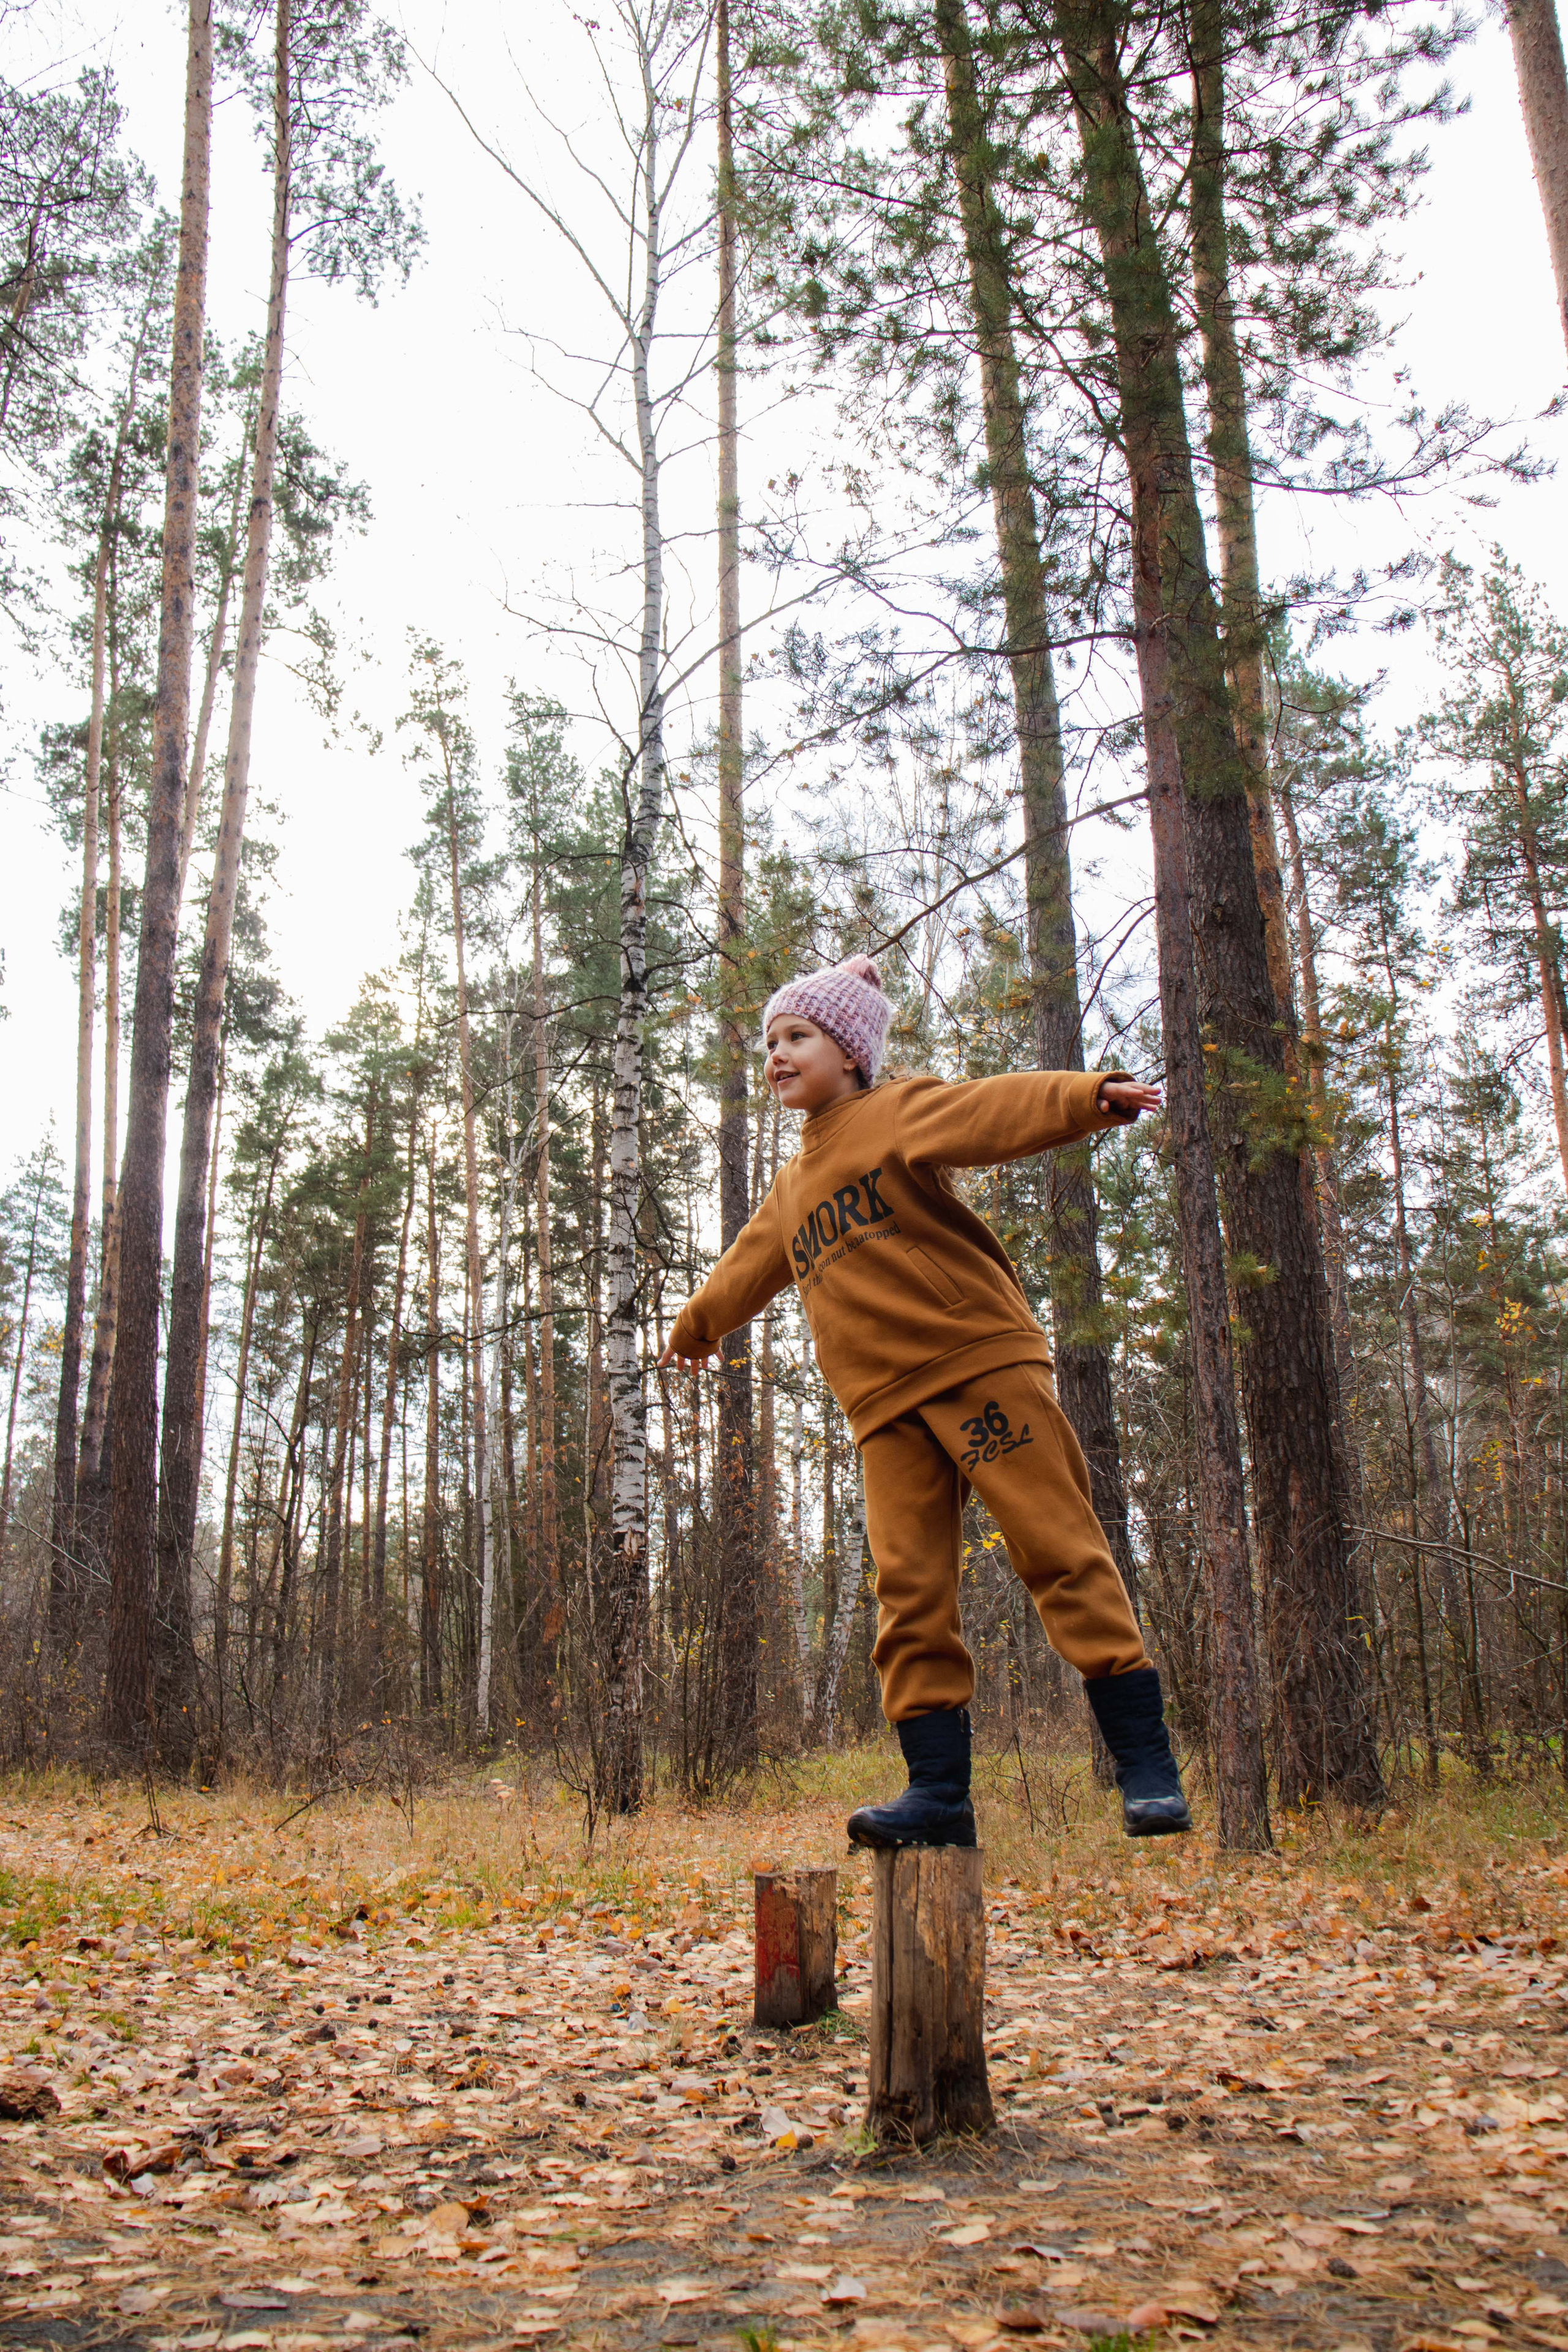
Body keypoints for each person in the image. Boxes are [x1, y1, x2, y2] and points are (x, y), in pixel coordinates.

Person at [657, 952, 1191, 1851]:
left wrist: (1087, 1097)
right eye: (771, 1044)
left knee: (1057, 1547)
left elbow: (986, 1110)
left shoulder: (893, 1112)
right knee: (907, 1591)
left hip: (975, 1363)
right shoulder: (790, 1190)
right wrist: (695, 1328)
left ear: (852, 1054)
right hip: (885, 1408)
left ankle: (1147, 1769)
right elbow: (748, 1265)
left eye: (798, 1037)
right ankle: (938, 1790)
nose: (778, 1056)